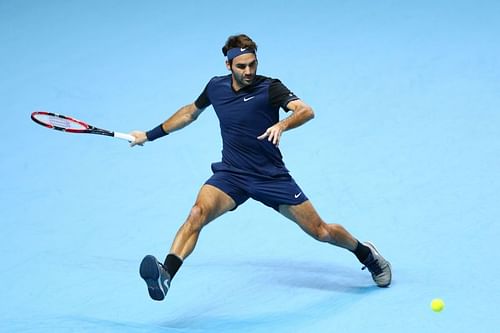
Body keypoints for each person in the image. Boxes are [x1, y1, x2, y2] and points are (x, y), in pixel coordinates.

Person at [130, 34, 391, 301]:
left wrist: (281, 124)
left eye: (252, 64)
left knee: (320, 231)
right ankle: (166, 276)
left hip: (270, 178)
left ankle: (366, 254)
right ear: (228, 65)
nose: (249, 71)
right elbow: (189, 113)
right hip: (231, 174)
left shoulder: (270, 88)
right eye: (241, 66)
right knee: (197, 213)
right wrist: (148, 135)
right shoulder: (215, 88)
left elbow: (305, 111)